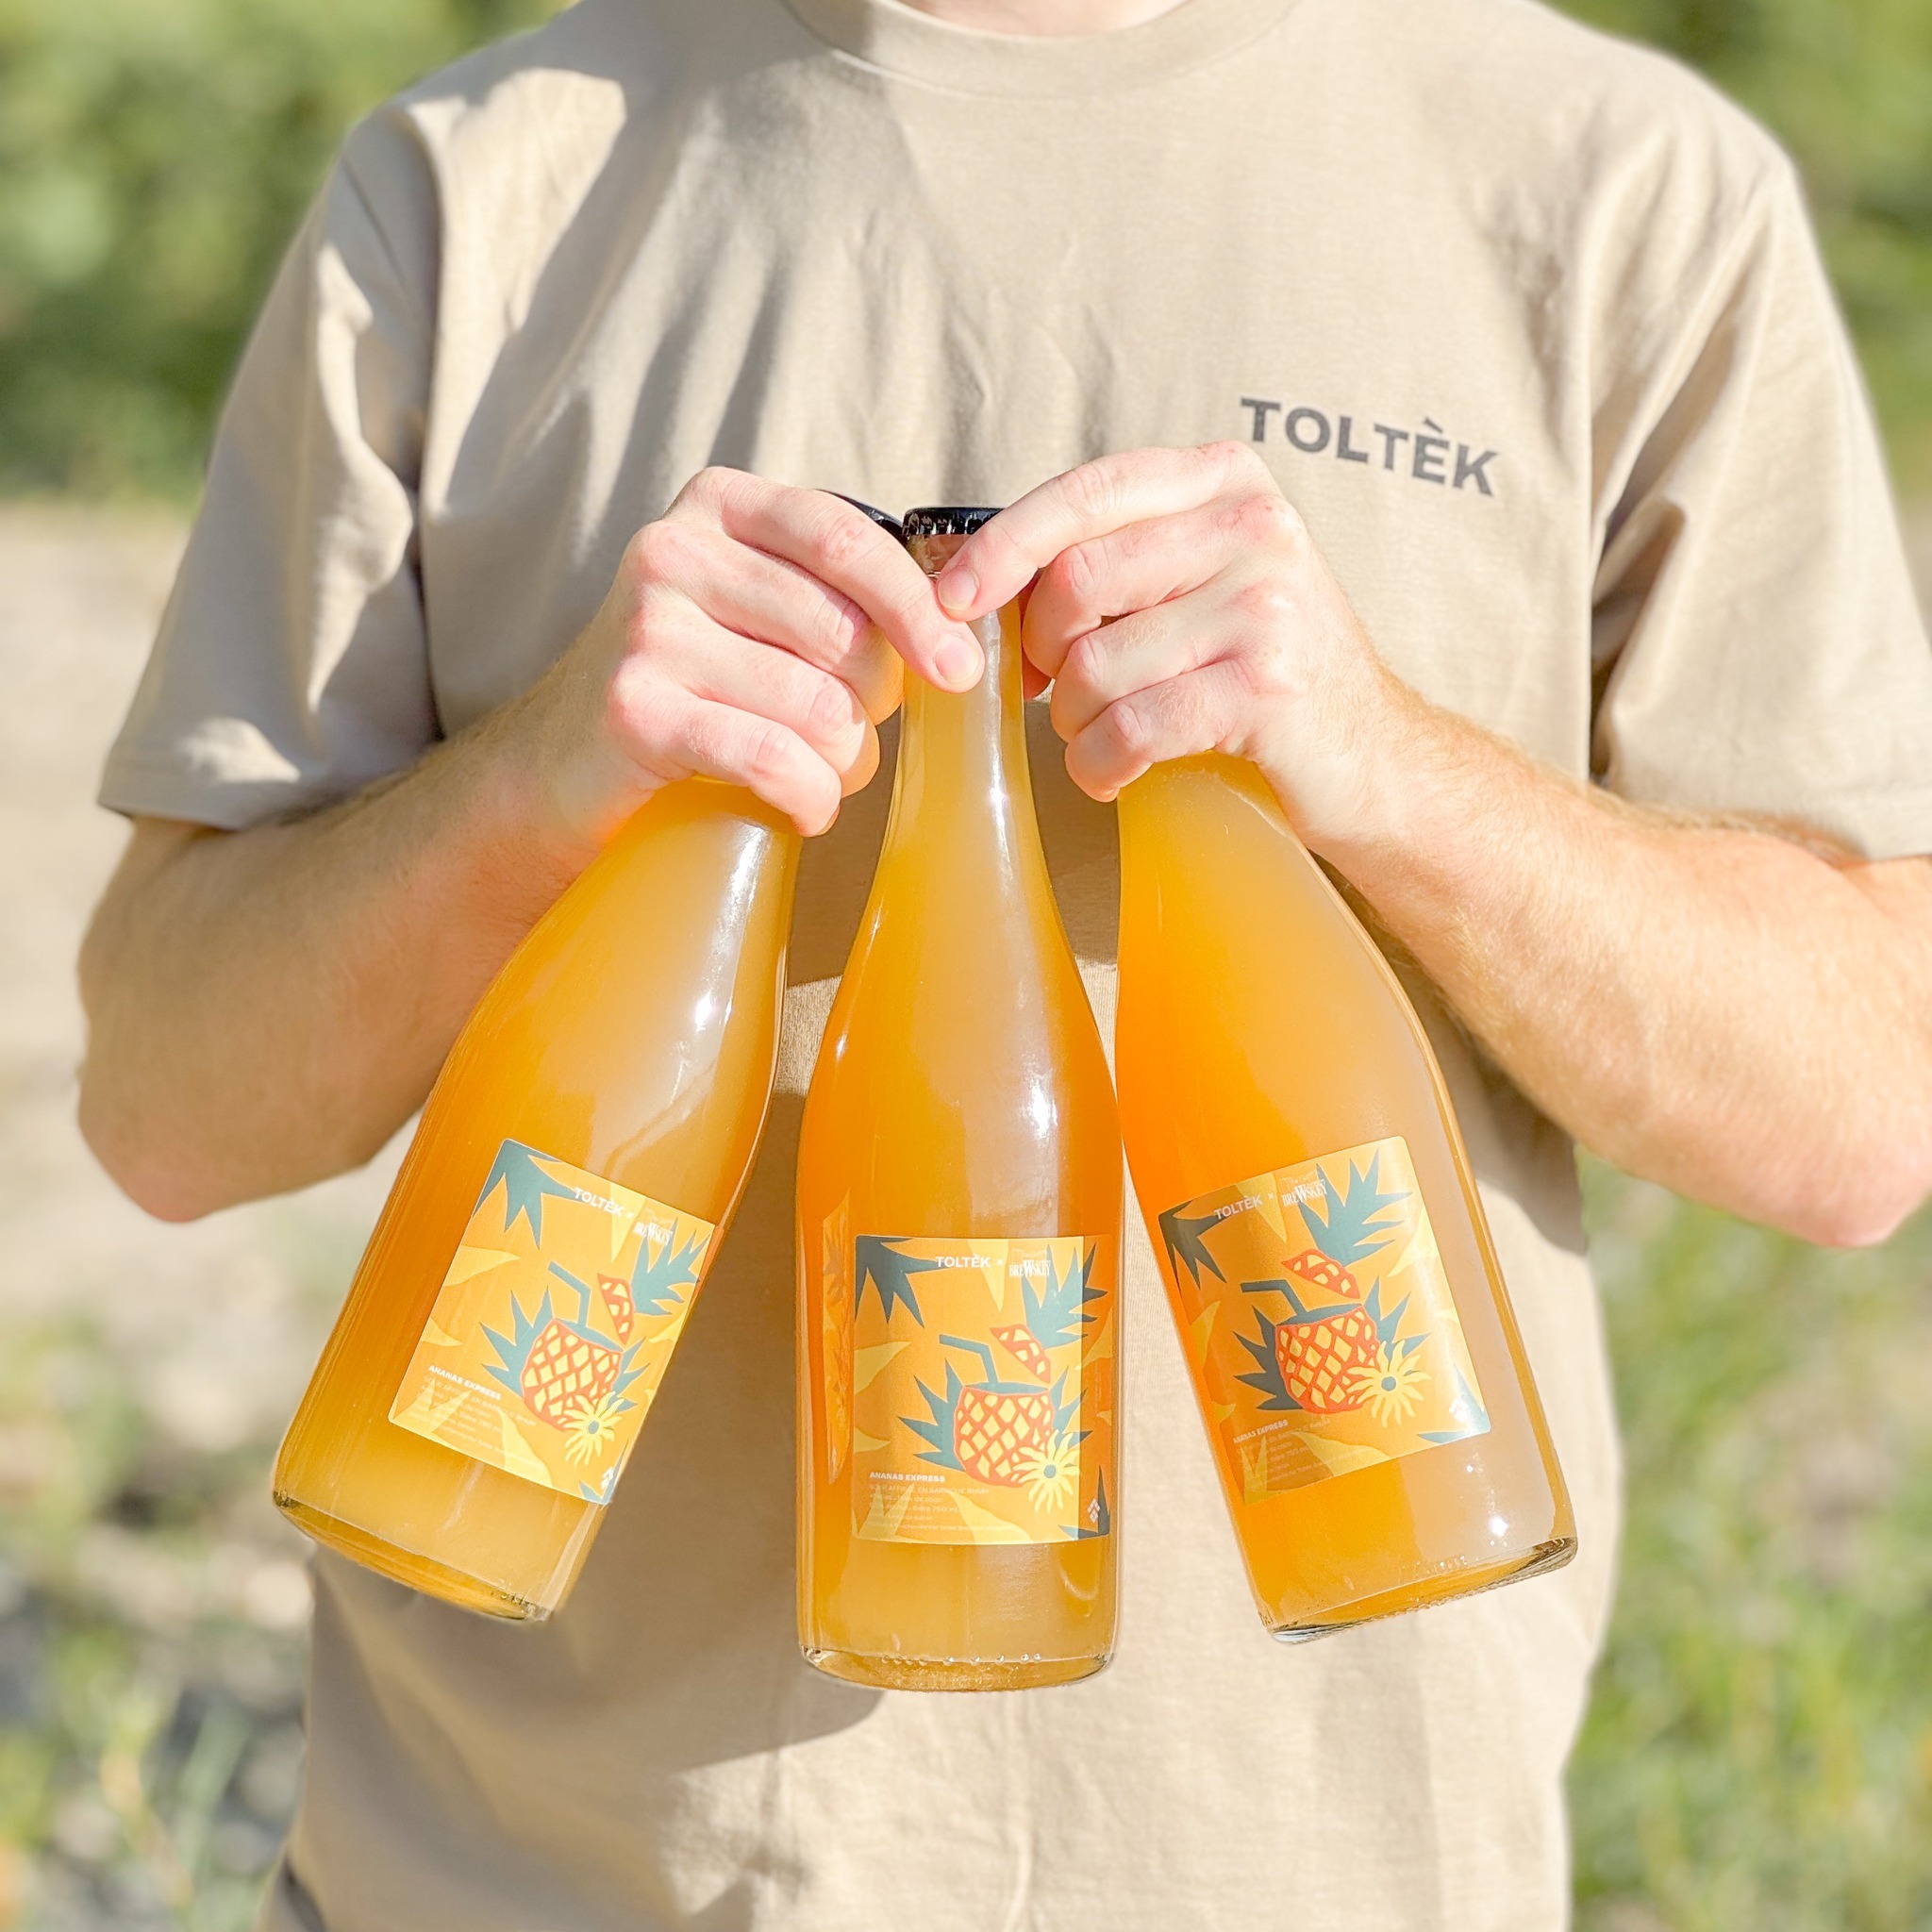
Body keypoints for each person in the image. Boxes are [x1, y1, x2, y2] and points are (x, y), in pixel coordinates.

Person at [76, 0, 1932, 1923]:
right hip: (532, 1883)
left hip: (1327, 1877)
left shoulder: (1618, 191)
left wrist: (1394, 769)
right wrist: (528, 786)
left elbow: (1861, 1117)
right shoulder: (479, 188)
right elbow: (165, 1110)